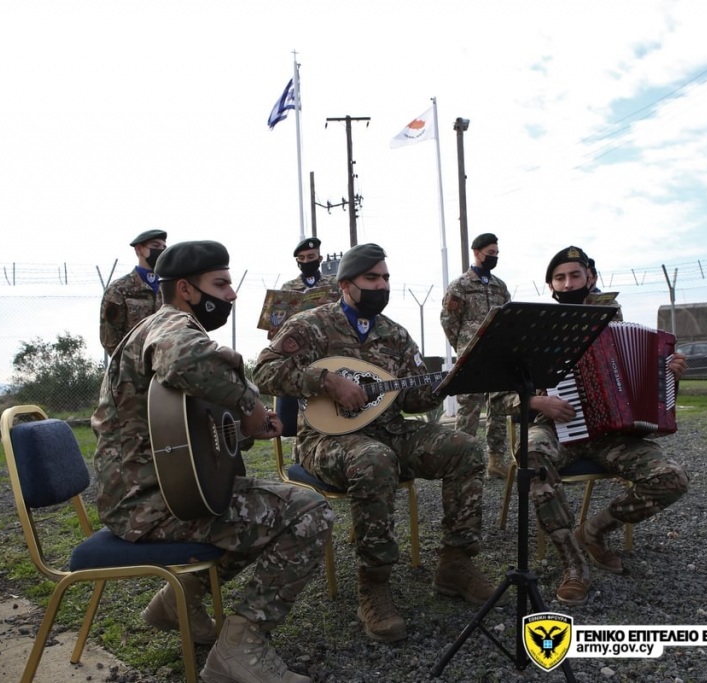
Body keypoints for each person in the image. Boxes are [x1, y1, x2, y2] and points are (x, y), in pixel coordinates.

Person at [92, 240, 333, 683]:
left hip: (158, 492)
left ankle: (178, 598)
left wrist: (238, 428)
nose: (231, 294)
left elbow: (182, 425)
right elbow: (185, 361)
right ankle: (241, 646)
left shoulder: (159, 328)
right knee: (309, 512)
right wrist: (249, 403)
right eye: (220, 284)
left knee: (252, 506)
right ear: (186, 289)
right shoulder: (171, 326)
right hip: (151, 504)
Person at [254, 243, 499, 644]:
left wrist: (446, 384)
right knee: (374, 460)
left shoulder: (395, 334)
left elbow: (414, 399)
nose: (381, 285)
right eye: (372, 278)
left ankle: (456, 563)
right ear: (346, 285)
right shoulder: (312, 324)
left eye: (385, 278)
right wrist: (326, 381)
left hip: (389, 430)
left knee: (465, 448)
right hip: (326, 439)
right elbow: (264, 371)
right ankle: (374, 583)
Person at [503, 246, 689, 606]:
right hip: (556, 429)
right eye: (560, 278)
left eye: (575, 275)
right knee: (532, 453)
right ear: (550, 285)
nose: (568, 283)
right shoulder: (535, 328)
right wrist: (538, 402)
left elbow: (645, 390)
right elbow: (500, 395)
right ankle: (573, 564)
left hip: (610, 434)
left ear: (590, 278)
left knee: (672, 479)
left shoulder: (613, 324)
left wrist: (671, 376)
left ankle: (593, 531)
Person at [440, 232, 512, 479]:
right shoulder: (460, 286)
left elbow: (507, 317)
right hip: (471, 356)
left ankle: (495, 461)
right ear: (476, 252)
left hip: (496, 354)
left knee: (498, 408)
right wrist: (463, 346)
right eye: (490, 253)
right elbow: (448, 320)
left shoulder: (500, 286)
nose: (494, 257)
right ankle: (464, 461)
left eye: (496, 254)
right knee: (468, 408)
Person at [99, 229, 167, 356]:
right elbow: (109, 338)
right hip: (132, 365)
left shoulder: (169, 287)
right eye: (156, 246)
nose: (161, 251)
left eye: (164, 247)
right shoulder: (119, 289)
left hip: (166, 363)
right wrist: (130, 362)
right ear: (139, 249)